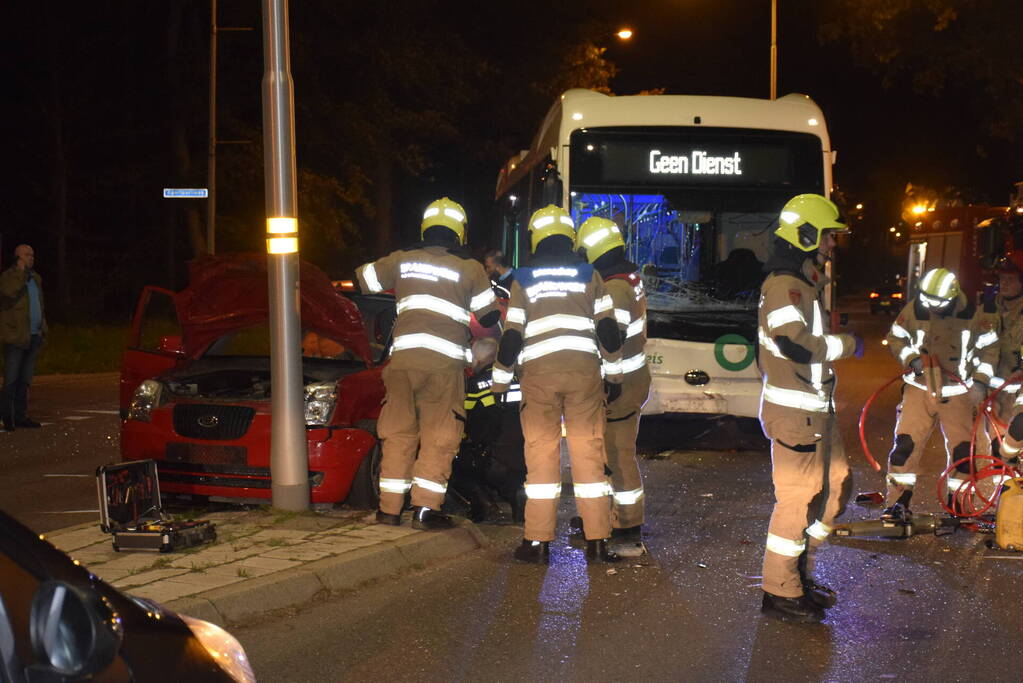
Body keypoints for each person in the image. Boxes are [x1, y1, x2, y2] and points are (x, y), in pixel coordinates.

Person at [355, 198, 501, 530]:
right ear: (459, 233)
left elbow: (363, 279)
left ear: (425, 228)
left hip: (402, 364)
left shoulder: (402, 260)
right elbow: (490, 315)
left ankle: (389, 510)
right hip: (443, 369)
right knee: (439, 436)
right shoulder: (469, 268)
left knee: (398, 434)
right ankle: (425, 510)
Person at [490, 205, 624, 564]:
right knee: (589, 456)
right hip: (584, 376)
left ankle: (536, 543)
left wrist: (499, 383)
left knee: (541, 457)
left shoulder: (524, 278)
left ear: (536, 236)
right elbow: (609, 332)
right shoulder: (590, 274)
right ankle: (597, 543)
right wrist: (615, 376)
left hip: (539, 377)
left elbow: (513, 336)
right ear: (570, 237)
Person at [757, 194, 862, 623]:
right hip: (795, 415)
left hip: (817, 411)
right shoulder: (785, 286)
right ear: (804, 234)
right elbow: (795, 344)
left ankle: (800, 568)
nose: (831, 244)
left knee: (837, 486)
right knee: (796, 502)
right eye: (826, 235)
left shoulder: (805, 283)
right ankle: (779, 589)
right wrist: (847, 345)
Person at [883, 267, 998, 520]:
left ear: (953, 297)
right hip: (919, 388)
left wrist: (980, 383)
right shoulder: (915, 309)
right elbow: (896, 338)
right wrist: (912, 359)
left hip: (958, 393)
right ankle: (897, 503)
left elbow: (990, 350)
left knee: (962, 453)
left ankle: (958, 504)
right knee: (904, 447)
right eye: (926, 300)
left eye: (937, 302)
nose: (930, 307)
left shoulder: (972, 315)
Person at [575, 216, 651, 557]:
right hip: (628, 376)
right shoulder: (625, 277)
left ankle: (627, 526)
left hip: (620, 380)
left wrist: (611, 379)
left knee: (618, 453)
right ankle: (606, 516)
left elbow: (612, 339)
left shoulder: (616, 286)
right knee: (608, 450)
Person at [0, 244, 47, 432]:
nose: (31, 257)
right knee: (11, 379)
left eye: (33, 254)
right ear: (18, 257)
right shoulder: (8, 277)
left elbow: (40, 304)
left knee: (25, 380)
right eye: (27, 255)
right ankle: (6, 416)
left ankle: (21, 416)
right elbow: (9, 293)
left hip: (33, 335)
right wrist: (20, 273)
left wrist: (44, 327)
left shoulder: (35, 278)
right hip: (15, 336)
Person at [987, 254, 1023, 462]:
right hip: (994, 396)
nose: (1004, 284)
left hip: (1018, 391)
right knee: (998, 454)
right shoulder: (988, 310)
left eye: (1011, 279)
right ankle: (1004, 492)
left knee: (1017, 434)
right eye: (1002, 279)